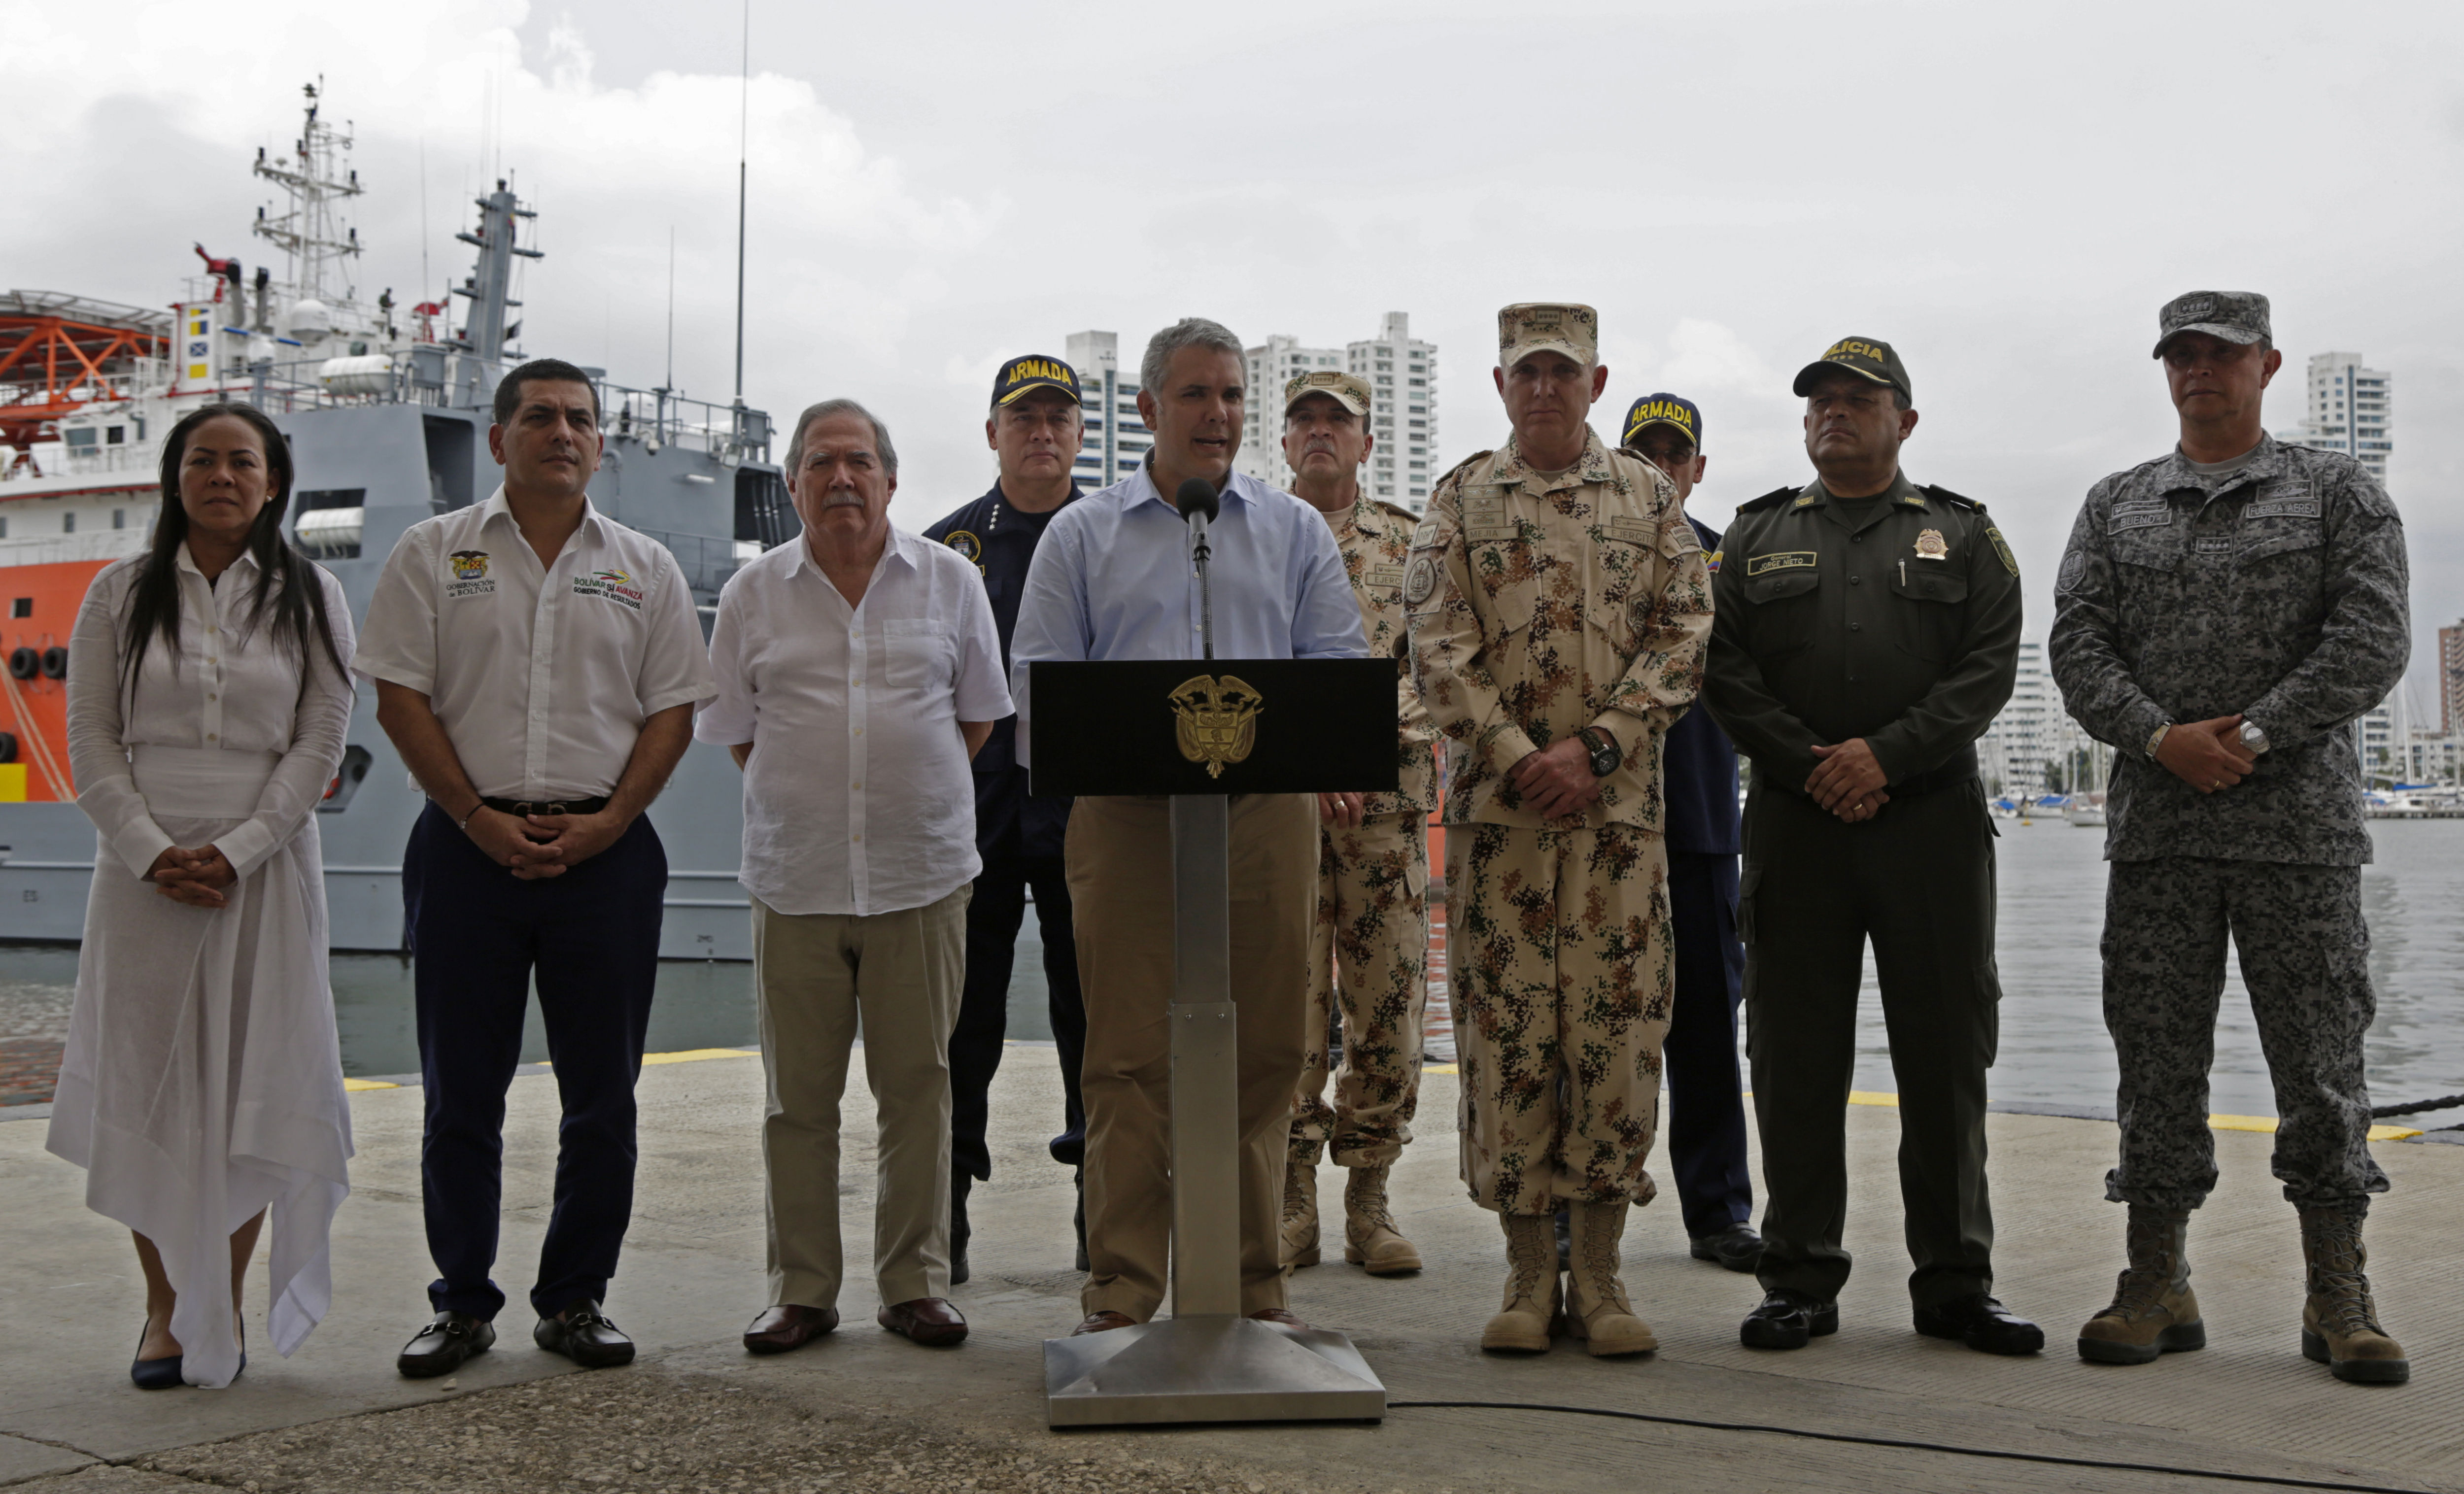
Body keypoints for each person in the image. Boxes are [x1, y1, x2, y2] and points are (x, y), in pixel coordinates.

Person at [2048, 292, 2412, 1384]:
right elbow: (2077, 644)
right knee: (2154, 1062)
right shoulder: (2116, 505)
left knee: (2322, 1065)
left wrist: (2249, 734)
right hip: (2158, 834)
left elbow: (2373, 637)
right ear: (2166, 371)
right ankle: (2154, 1279)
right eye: (2182, 355)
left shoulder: (2338, 491)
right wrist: (2159, 739)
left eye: (2221, 354)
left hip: (2297, 834)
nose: (2199, 370)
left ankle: (2336, 1289)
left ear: (2267, 364)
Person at [360, 357, 717, 1377]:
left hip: (606, 857)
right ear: (499, 438)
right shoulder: (433, 554)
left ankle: (574, 1299)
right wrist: (471, 815)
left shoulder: (644, 566)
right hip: (465, 850)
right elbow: (400, 698)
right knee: (459, 1094)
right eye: (542, 417)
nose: (564, 432)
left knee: (602, 1096)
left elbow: (673, 712)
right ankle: (462, 1304)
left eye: (581, 420)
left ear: (600, 444)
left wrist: (611, 823)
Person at [1010, 317, 1368, 1335]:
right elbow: (1036, 685)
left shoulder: (1292, 530)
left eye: (1232, 396)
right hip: (1125, 817)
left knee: (1264, 1051)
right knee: (1124, 1056)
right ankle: (1121, 1291)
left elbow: (1337, 669)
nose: (1218, 416)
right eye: (1197, 395)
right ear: (1147, 410)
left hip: (1261, 817)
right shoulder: (1082, 534)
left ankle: (1253, 1286)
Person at [1702, 337, 2037, 1357]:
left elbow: (1985, 670)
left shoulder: (1964, 536)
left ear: (1906, 420)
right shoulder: (1753, 538)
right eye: (1821, 402)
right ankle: (1797, 1276)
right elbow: (1719, 667)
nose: (1834, 413)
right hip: (1797, 827)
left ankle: (1954, 1283)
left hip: (1929, 825)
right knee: (1795, 1056)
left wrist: (1882, 757)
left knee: (1945, 1056)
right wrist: (1814, 766)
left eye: (1859, 400)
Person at [1405, 304, 1711, 1358]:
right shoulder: (1458, 501)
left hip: (1617, 828)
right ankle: (1531, 1273)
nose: (1544, 388)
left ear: (1596, 380)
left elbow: (1685, 632)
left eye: (1563, 372)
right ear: (1501, 385)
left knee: (1618, 1039)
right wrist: (1510, 752)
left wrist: (1602, 746)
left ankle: (1608, 1274)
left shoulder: (1649, 496)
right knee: (1509, 1044)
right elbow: (1434, 641)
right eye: (1527, 372)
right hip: (1501, 828)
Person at [52, 401, 355, 1390]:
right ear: (174, 476)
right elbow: (91, 740)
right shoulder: (117, 593)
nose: (222, 475)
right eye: (202, 459)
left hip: (265, 873)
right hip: (141, 875)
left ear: (275, 482)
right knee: (151, 1087)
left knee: (255, 1089)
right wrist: (150, 850)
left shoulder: (313, 597)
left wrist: (240, 848)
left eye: (242, 461)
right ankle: (166, 1312)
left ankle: (218, 1306)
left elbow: (318, 741)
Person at [703, 399, 1010, 1354]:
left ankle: (913, 1284)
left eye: (859, 461)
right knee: (798, 1101)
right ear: (792, 481)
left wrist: (889, 800)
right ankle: (801, 1287)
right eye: (820, 463)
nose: (841, 477)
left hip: (921, 878)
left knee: (919, 1086)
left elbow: (977, 719)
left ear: (889, 478)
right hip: (795, 882)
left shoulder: (952, 582)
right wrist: (823, 803)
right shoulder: (752, 595)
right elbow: (738, 733)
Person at [923, 356, 1091, 1282]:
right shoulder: (945, 549)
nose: (1041, 432)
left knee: (1094, 1015)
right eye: (1022, 418)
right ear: (993, 433)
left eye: (1058, 417)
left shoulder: (1117, 534)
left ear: (1080, 431)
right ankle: (945, 1204)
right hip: (974, 815)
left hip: (1087, 811)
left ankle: (1101, 1204)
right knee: (962, 1018)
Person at [1274, 370, 1438, 1279]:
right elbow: (1248, 658)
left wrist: (1354, 744)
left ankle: (1369, 1200)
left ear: (1369, 444)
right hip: (1285, 810)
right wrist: (1310, 754)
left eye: (1338, 422)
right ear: (1286, 442)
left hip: (1384, 807)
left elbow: (1439, 661)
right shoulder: (1255, 535)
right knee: (1289, 1007)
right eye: (1305, 422)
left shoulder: (1411, 548)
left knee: (1389, 1008)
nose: (1321, 435)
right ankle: (1292, 1197)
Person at [1616, 393, 1760, 1274]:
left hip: (1703, 826)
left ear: (1698, 467)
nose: (1662, 466)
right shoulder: (1584, 548)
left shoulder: (1730, 558)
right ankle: (1577, 1210)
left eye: (1677, 454)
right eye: (1647, 452)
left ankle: (1719, 1212)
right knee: (1589, 1029)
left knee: (1707, 1032)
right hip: (1602, 828)